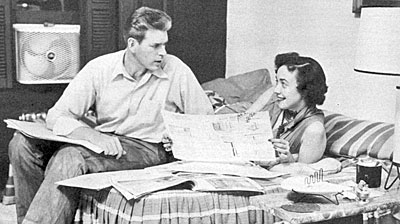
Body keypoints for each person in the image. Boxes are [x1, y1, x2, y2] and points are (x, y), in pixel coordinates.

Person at [9, 7, 214, 224]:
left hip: (148, 148)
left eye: (164, 44)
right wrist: (91, 135)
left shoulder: (176, 69)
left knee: (70, 157)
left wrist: (178, 137)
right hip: (105, 143)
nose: (162, 52)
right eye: (155, 46)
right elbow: (57, 115)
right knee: (21, 144)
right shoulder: (100, 68)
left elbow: (205, 121)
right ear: (132, 45)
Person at [247, 52, 328, 166]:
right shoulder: (273, 95)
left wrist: (289, 160)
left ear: (305, 89)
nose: (276, 90)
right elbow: (242, 123)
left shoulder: (314, 130)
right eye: (277, 82)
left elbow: (300, 173)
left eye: (284, 84)